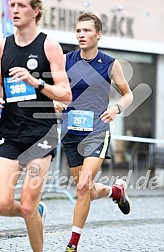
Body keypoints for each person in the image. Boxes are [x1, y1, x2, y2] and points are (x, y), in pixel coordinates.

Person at [0, 0, 71, 252]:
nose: (15, 10)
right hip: (10, 133)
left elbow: (66, 94)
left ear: (36, 10)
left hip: (42, 134)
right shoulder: (3, 45)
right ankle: (37, 212)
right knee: (2, 204)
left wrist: (36, 82)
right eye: (13, 5)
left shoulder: (49, 45)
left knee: (27, 205)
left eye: (21, 5)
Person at [61, 12, 133, 252]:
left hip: (96, 132)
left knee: (82, 187)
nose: (81, 35)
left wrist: (116, 108)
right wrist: (55, 101)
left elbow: (128, 94)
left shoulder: (110, 64)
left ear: (98, 34)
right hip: (71, 133)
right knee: (88, 191)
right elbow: (55, 90)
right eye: (79, 31)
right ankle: (115, 190)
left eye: (87, 31)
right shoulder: (65, 59)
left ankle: (72, 245)